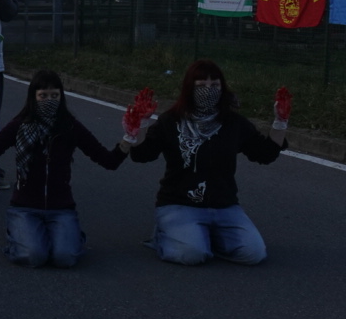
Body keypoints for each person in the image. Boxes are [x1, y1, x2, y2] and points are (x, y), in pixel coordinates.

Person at [121, 59, 292, 266]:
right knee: (191, 254)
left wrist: (280, 122)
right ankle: (164, 236)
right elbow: (142, 155)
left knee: (253, 254)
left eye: (215, 85)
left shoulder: (233, 123)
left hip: (224, 205)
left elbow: (265, 154)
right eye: (201, 86)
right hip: (179, 204)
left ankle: (202, 236)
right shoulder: (171, 120)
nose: (209, 90)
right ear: (189, 89)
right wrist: (141, 126)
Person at [0, 69, 127, 268]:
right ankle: (18, 235)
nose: (49, 100)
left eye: (54, 96)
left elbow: (108, 161)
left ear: (61, 97)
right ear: (33, 97)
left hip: (61, 208)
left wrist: (130, 138)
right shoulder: (20, 125)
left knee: (65, 258)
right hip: (25, 208)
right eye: (43, 96)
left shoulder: (70, 127)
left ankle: (69, 236)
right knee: (34, 256)